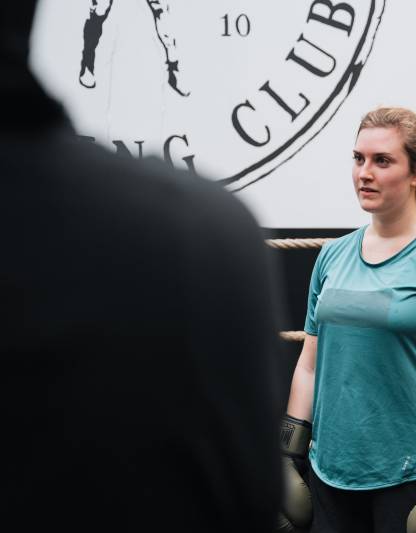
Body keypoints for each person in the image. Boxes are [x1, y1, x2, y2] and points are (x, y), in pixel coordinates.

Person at [1, 2, 284, 530]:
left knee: (161, 20)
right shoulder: (197, 234)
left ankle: (165, 68)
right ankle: (102, 64)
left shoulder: (196, 231)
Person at [278, 107, 416, 533]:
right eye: (358, 158)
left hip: (412, 476)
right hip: (328, 472)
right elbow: (308, 365)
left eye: (382, 160)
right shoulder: (332, 256)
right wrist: (288, 455)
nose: (365, 173)